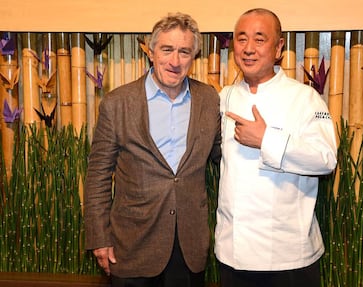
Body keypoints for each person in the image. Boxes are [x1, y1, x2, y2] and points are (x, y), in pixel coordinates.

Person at [84, 12, 221, 287]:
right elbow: (98, 174)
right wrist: (100, 238)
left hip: (189, 246)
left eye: (184, 52)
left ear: (193, 58)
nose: (175, 61)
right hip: (132, 245)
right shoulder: (117, 103)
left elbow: (223, 156)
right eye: (167, 49)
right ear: (151, 51)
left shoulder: (208, 99)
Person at [214, 8, 337, 287]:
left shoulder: (305, 98)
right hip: (232, 253)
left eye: (260, 39)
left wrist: (266, 139)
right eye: (241, 39)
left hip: (289, 257)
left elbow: (326, 159)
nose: (248, 49)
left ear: (279, 47)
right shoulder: (224, 98)